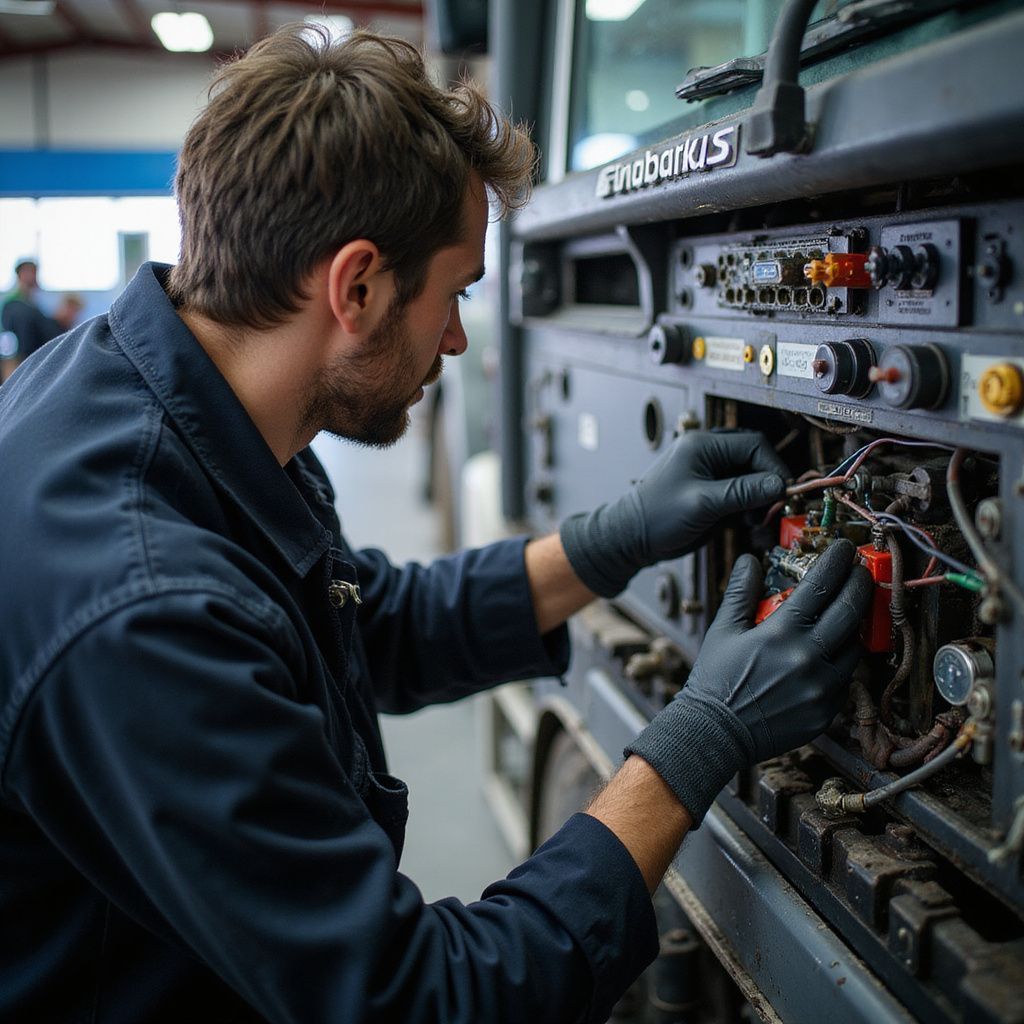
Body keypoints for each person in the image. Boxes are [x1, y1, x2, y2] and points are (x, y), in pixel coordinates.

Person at [0, 25, 871, 1023]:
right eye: (454, 295)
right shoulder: (137, 605)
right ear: (357, 286)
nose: (458, 337)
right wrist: (698, 740)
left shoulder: (155, 389)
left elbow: (363, 621)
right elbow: (421, 1000)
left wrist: (615, 537)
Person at [0, 260, 77, 381]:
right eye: (29, 272)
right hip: (21, 363)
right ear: (20, 275)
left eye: (34, 273)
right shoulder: (14, 305)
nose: (33, 277)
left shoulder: (32, 303)